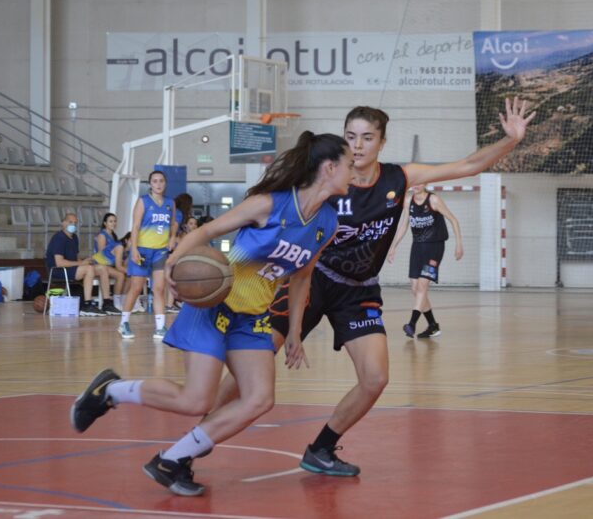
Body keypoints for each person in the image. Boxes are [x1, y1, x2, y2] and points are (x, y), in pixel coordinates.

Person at [213, 97, 534, 477]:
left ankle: (321, 448)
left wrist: (510, 140)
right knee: (257, 360)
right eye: (351, 137)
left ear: (382, 142)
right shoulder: (329, 181)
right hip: (312, 279)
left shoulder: (399, 178)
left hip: (359, 290)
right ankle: (199, 432)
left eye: (367, 137)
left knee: (376, 378)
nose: (358, 145)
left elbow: (466, 165)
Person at [70, 132, 353, 497]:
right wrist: (172, 264)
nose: (354, 170)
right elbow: (208, 230)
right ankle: (111, 391)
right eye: (349, 164)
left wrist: (296, 331)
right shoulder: (269, 204)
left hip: (253, 317)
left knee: (259, 399)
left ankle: (170, 460)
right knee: (197, 401)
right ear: (328, 168)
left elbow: (302, 277)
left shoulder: (327, 222)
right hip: (216, 304)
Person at [387, 184, 463, 338]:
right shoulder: (409, 201)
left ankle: (412, 324)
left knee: (422, 285)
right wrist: (393, 246)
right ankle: (433, 326)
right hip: (417, 247)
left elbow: (454, 220)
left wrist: (459, 244)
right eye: (414, 182)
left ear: (426, 184)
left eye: (420, 182)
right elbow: (404, 225)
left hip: (435, 247)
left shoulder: (433, 200)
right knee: (415, 289)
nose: (416, 185)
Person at [117, 171, 178, 340]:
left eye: (161, 181)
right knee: (136, 288)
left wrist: (172, 237)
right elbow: (135, 227)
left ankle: (160, 327)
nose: (158, 184)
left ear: (165, 183)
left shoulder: (170, 203)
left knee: (159, 288)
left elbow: (173, 223)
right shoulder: (143, 201)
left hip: (160, 251)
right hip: (142, 250)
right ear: (150, 184)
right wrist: (134, 249)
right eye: (155, 181)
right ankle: (123, 323)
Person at [44, 212, 108, 317]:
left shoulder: (74, 238)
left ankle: (107, 302)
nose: (73, 225)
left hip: (71, 268)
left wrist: (85, 261)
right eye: (70, 222)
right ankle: (87, 305)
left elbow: (74, 258)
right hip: (59, 271)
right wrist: (81, 263)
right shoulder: (59, 238)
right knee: (88, 270)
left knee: (102, 268)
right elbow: (59, 263)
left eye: (75, 223)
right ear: (63, 223)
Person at [92, 212, 125, 315]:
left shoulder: (114, 236)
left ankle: (116, 302)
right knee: (121, 270)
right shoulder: (102, 235)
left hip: (110, 264)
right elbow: (102, 254)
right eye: (110, 221)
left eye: (114, 221)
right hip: (101, 264)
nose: (113, 223)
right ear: (105, 223)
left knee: (120, 276)